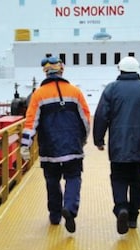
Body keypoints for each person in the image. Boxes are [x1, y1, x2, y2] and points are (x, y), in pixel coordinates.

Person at [93, 56, 140, 234]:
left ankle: (121, 208)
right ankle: (133, 216)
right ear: (137, 70)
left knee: (118, 178)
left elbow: (102, 115)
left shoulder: (111, 89)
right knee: (137, 180)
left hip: (118, 144)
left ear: (120, 69)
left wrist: (98, 139)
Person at [21, 56, 91, 233]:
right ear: (62, 70)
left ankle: (54, 215)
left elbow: (31, 121)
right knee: (73, 177)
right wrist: (83, 139)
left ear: (45, 71)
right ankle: (70, 207)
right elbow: (85, 119)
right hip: (72, 146)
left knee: (52, 180)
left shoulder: (38, 95)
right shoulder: (75, 92)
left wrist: (25, 145)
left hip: (49, 148)